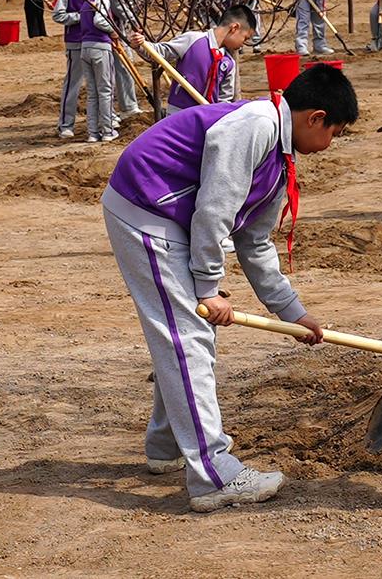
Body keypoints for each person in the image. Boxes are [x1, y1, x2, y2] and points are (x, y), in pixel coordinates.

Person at [102, 62, 357, 513]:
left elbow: (254, 242)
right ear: (315, 117)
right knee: (188, 339)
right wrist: (207, 288)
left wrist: (293, 312)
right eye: (334, 133)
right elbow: (214, 210)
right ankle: (213, 475)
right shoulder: (256, 126)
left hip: (172, 219)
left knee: (188, 337)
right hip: (149, 210)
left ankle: (166, 444)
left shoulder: (279, 158)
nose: (330, 144)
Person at [55, 0, 124, 143]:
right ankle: (66, 124)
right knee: (74, 83)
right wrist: (82, 16)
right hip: (76, 42)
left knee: (101, 86)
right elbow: (58, 15)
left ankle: (105, 121)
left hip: (95, 42)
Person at [154, 5, 256, 104]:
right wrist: (143, 44)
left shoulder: (228, 63)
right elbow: (157, 52)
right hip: (179, 111)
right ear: (234, 28)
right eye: (245, 38)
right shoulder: (192, 40)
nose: (243, 45)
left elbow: (224, 101)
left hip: (207, 114)